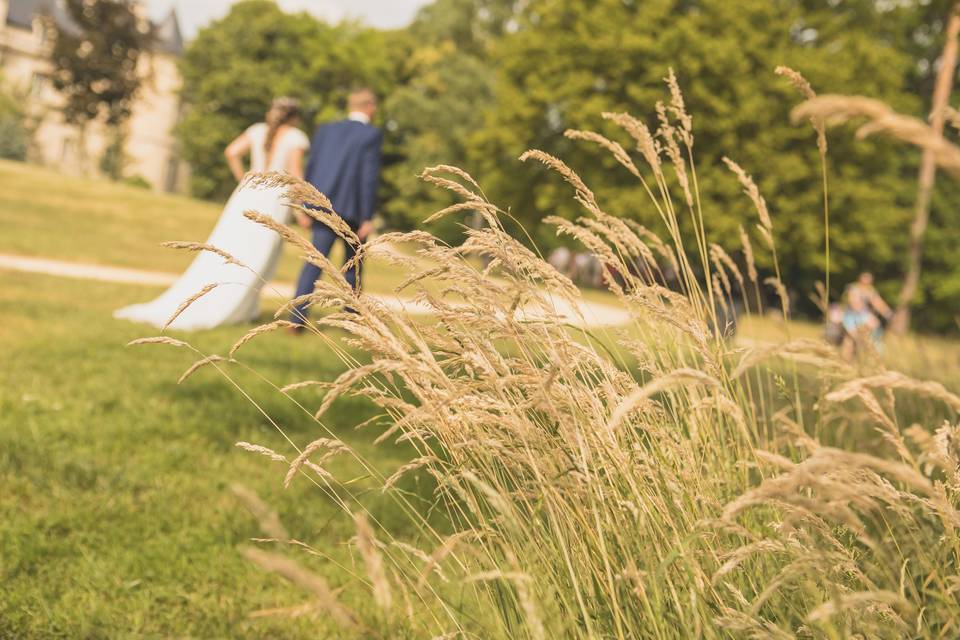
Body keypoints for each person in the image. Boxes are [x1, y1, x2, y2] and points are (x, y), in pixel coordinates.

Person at [115, 98, 309, 330]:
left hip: (248, 193)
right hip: (274, 199)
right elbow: (296, 176)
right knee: (258, 254)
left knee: (230, 247)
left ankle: (245, 308)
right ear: (295, 117)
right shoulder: (295, 137)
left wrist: (244, 178)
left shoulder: (257, 130)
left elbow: (231, 152)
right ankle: (241, 307)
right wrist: (302, 210)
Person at [290, 88, 383, 328]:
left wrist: (304, 204)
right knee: (353, 266)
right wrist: (367, 216)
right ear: (370, 107)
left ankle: (296, 320)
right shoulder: (370, 135)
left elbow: (311, 167)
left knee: (314, 262)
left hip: (321, 205)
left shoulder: (326, 129)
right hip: (352, 210)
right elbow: (367, 177)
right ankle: (350, 318)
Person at [840, 271, 892, 358]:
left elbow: (878, 302)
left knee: (874, 325)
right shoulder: (853, 288)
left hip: (862, 315)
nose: (867, 281)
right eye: (865, 278)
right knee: (851, 338)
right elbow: (853, 302)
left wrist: (887, 312)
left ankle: (871, 346)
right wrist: (863, 310)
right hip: (851, 316)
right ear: (860, 279)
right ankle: (845, 359)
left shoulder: (870, 290)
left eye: (869, 279)